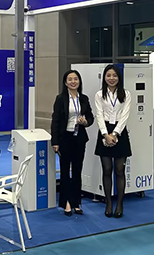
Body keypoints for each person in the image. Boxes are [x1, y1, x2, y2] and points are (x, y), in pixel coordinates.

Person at [51, 69, 94, 216]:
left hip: (79, 138)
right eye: (70, 79)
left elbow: (91, 117)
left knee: (77, 171)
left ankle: (76, 203)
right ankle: (66, 203)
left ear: (79, 81)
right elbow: (55, 121)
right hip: (65, 138)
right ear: (65, 82)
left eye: (75, 79)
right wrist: (55, 141)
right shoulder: (60, 99)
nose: (73, 82)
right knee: (65, 171)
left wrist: (85, 122)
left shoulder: (84, 98)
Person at [94, 64, 132, 218]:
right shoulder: (99, 94)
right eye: (108, 75)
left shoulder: (126, 94)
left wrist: (115, 133)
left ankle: (120, 204)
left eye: (114, 75)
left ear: (119, 77)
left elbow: (125, 115)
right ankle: (108, 203)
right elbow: (99, 114)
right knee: (107, 169)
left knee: (120, 170)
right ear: (104, 77)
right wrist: (106, 135)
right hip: (104, 131)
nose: (111, 78)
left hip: (120, 132)